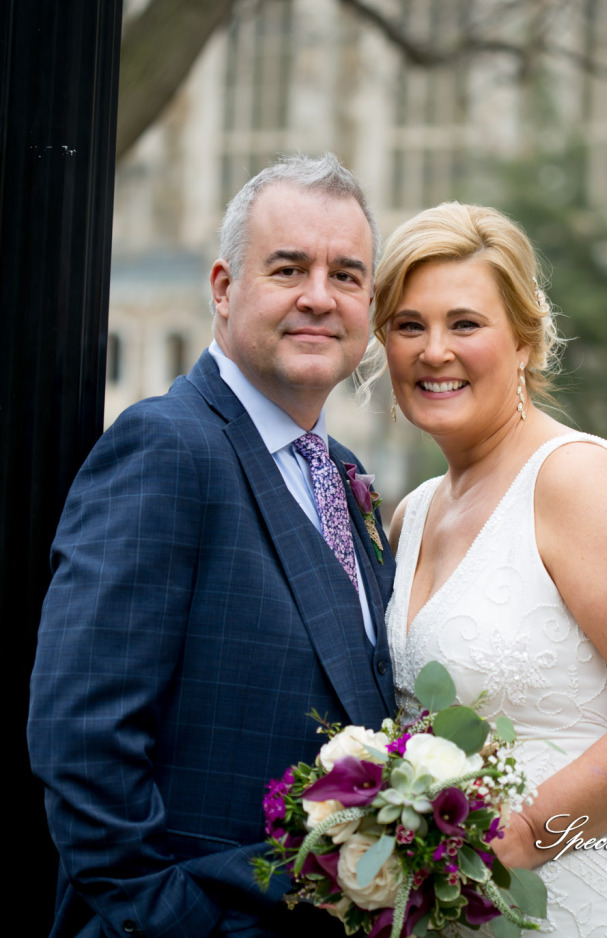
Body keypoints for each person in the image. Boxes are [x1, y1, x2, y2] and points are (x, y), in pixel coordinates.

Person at [28, 153, 396, 938]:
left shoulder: (345, 475)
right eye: (289, 268)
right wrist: (172, 919)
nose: (319, 298)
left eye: (347, 275)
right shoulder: (165, 447)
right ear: (224, 288)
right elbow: (83, 736)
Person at [373, 202, 607, 937]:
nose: (433, 350)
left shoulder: (573, 480)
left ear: (524, 342)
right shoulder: (411, 515)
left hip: (594, 900)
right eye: (409, 325)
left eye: (465, 324)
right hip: (460, 911)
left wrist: (530, 832)